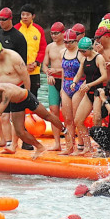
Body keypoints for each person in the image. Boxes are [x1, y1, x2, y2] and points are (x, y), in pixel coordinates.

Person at [0, 83, 64, 159]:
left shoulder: (6, 93)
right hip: (16, 103)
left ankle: (65, 130)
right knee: (20, 132)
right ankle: (40, 147)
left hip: (26, 97)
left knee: (47, 116)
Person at [0, 40, 31, 153]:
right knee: (4, 117)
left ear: (2, 51)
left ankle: (14, 144)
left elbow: (25, 76)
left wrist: (28, 94)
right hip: (3, 91)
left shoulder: (14, 57)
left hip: (17, 91)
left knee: (15, 119)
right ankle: (8, 142)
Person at [14, 4, 47, 150]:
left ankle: (28, 137)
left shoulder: (38, 30)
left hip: (34, 72)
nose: (25, 17)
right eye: (22, 14)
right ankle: (21, 138)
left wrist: (37, 63)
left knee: (31, 102)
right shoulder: (16, 29)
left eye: (27, 14)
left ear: (33, 16)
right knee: (18, 105)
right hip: (19, 73)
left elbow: (42, 48)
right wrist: (22, 66)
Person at [72, 37, 108, 155]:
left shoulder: (99, 58)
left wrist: (89, 85)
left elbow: (104, 77)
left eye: (83, 51)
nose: (82, 53)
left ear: (90, 49)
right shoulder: (84, 59)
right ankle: (88, 146)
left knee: (97, 120)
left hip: (98, 92)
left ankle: (101, 147)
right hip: (88, 93)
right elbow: (79, 74)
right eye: (80, 51)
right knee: (78, 120)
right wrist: (74, 82)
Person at [59, 29, 83, 155]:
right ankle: (69, 146)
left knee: (77, 118)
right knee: (67, 119)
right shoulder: (62, 52)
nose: (67, 44)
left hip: (77, 86)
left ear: (76, 41)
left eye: (70, 42)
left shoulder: (80, 53)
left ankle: (81, 144)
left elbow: (84, 71)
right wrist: (62, 88)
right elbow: (63, 71)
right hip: (66, 85)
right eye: (65, 42)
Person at [43, 21, 66, 150]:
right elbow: (45, 65)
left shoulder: (68, 46)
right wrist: (49, 74)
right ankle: (57, 143)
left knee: (68, 114)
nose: (54, 36)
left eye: (56, 33)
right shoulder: (49, 47)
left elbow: (73, 67)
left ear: (63, 33)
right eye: (52, 33)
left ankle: (70, 143)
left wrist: (57, 71)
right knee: (53, 111)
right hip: (53, 81)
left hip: (66, 81)